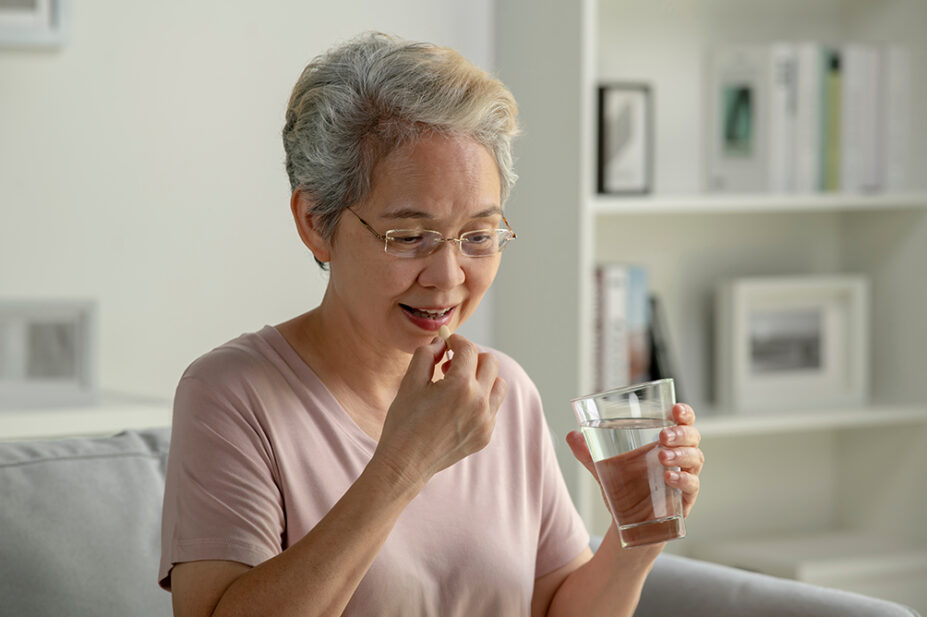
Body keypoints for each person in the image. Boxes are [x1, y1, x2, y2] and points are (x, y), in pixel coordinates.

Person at [159, 31, 704, 617]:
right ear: (317, 222)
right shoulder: (231, 395)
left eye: (478, 236)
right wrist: (403, 463)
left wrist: (639, 529)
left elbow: (556, 608)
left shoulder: (503, 394)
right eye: (410, 236)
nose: (448, 277)